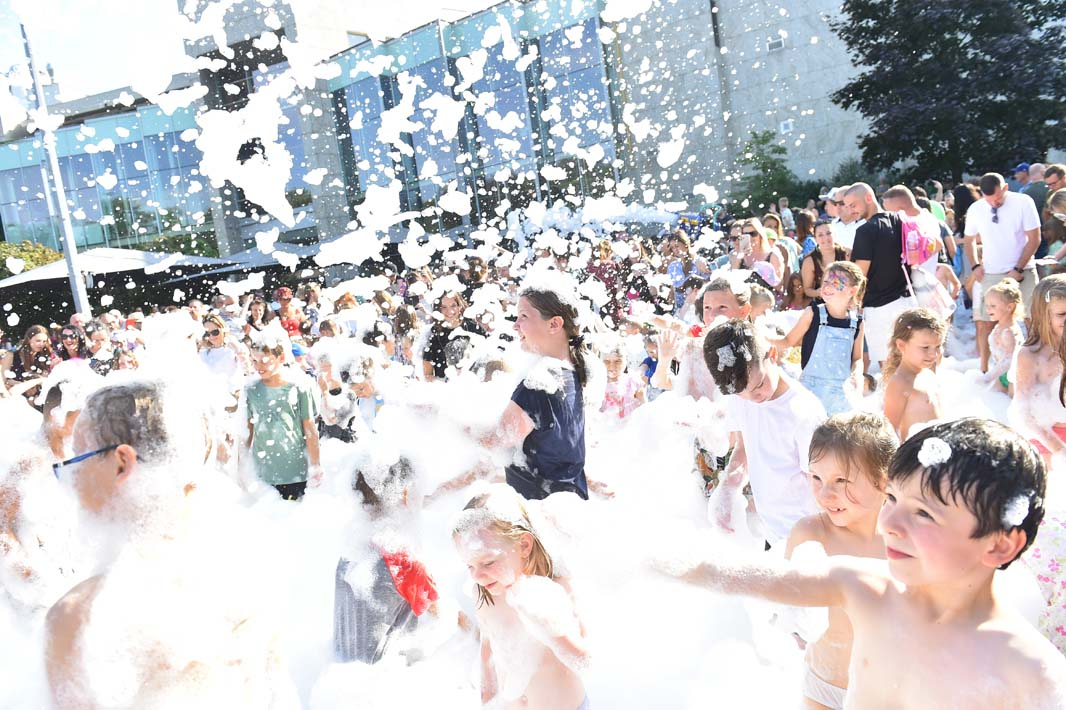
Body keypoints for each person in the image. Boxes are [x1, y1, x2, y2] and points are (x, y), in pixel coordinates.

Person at [659, 418, 1066, 709]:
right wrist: (647, 558)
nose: (889, 523)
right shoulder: (863, 588)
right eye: (892, 499)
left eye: (924, 513)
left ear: (999, 545)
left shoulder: (1031, 673)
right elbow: (735, 575)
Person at [45, 380, 299, 710]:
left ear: (122, 463)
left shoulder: (83, 617)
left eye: (78, 458)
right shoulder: (248, 574)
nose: (71, 476)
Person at [785, 412, 897, 710]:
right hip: (824, 685)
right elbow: (790, 609)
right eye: (816, 477)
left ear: (884, 480)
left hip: (886, 694)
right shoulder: (810, 536)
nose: (825, 494)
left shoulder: (903, 539)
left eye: (841, 480)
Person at [452, 487, 589, 710]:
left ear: (524, 545)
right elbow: (488, 647)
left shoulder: (556, 585)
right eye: (469, 565)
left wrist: (551, 631)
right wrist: (487, 698)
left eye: (488, 562)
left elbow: (585, 661)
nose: (477, 575)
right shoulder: (483, 593)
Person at [703, 319, 826, 543]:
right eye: (741, 393)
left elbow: (820, 480)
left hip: (806, 531)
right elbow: (744, 447)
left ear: (772, 355)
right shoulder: (740, 392)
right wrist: (728, 489)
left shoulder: (803, 412)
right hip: (770, 526)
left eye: (759, 385)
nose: (752, 397)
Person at [482, 275, 592, 500]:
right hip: (567, 504)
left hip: (538, 509)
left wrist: (442, 418)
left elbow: (492, 442)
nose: (515, 325)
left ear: (554, 324)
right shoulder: (572, 374)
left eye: (523, 316)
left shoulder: (538, 386)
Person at [333, 455, 441, 664]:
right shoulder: (403, 562)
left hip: (342, 665)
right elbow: (444, 615)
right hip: (386, 674)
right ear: (405, 493)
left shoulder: (351, 550)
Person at [964, 173, 1042, 373]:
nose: (994, 203)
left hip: (1024, 269)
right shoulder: (976, 208)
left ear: (1006, 188)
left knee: (1032, 319)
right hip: (991, 272)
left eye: (998, 198)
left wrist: (1017, 269)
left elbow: (1035, 239)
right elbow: (969, 240)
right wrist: (975, 265)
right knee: (985, 322)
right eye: (989, 199)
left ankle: (1036, 367)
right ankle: (983, 371)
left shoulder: (1023, 201)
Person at [773, 262, 866, 416]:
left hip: (841, 395)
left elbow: (857, 358)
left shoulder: (857, 323)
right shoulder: (813, 313)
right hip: (811, 391)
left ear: (852, 291)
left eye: (835, 283)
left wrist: (857, 374)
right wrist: (759, 336)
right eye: (825, 281)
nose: (827, 286)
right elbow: (787, 342)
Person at [244, 332, 321, 500]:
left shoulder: (299, 387)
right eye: (254, 360)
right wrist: (241, 466)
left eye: (265, 360)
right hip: (262, 472)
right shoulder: (251, 390)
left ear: (281, 358)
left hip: (295, 472)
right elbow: (247, 431)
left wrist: (316, 465)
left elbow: (309, 429)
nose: (258, 366)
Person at [844, 183, 912, 367]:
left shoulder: (865, 231)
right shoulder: (899, 220)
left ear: (868, 197)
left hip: (879, 309)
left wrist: (851, 302)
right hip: (906, 301)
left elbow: (860, 274)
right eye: (847, 207)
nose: (850, 211)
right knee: (909, 363)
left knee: (888, 367)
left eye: (853, 205)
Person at [1010, 275, 1066, 458]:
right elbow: (1025, 412)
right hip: (1047, 438)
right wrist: (1060, 450)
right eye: (1062, 314)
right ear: (1043, 316)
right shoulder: (1030, 355)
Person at [882, 308, 947, 439]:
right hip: (914, 451)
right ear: (901, 345)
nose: (933, 354)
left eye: (938, 346)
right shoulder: (900, 383)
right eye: (925, 347)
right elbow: (889, 434)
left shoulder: (928, 375)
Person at [421, 291, 485, 381]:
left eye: (453, 306)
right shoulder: (434, 334)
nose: (449, 311)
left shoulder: (473, 329)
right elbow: (427, 375)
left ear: (460, 306)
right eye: (444, 307)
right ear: (438, 309)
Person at [979, 278, 1023, 394]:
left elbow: (1009, 360)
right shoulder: (999, 327)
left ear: (1009, 307)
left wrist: (989, 377)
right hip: (1002, 374)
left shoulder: (1009, 332)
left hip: (1013, 376)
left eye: (993, 306)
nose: (988, 309)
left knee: (1009, 401)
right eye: (987, 305)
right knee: (992, 398)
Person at [6, 325, 57, 408]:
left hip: (38, 400)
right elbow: (5, 380)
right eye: (38, 341)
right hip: (16, 398)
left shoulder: (45, 357)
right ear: (29, 339)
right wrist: (25, 385)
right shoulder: (12, 356)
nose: (41, 344)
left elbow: (45, 380)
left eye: (44, 341)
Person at [800, 219, 848, 299]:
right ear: (815, 239)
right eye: (820, 235)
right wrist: (819, 292)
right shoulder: (809, 261)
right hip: (823, 301)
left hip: (845, 299)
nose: (825, 238)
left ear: (835, 234)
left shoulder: (846, 254)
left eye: (828, 233)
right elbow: (807, 290)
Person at [600, 341, 645, 420]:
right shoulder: (597, 383)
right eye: (607, 361)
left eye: (617, 361)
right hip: (604, 426)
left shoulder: (633, 381)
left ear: (626, 359)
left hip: (628, 426)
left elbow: (645, 409)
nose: (612, 366)